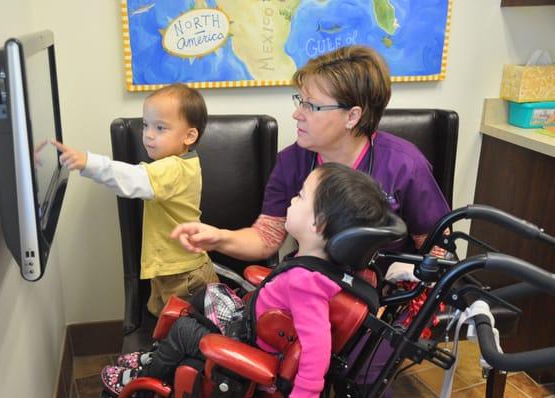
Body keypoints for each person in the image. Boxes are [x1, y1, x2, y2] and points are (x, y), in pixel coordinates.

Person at [101, 163, 391, 397]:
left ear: (319, 224)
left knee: (184, 328)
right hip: (249, 323)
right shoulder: (317, 267)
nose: (292, 199)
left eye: (301, 196)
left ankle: (146, 379)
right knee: (208, 292)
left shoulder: (306, 283)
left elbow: (317, 349)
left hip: (250, 346)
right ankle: (160, 356)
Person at [170, 45, 450, 264]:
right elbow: (268, 236)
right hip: (311, 287)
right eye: (299, 101)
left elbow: (438, 248)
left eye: (311, 106)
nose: (297, 114)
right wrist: (219, 238)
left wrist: (403, 295)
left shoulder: (404, 165)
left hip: (383, 304)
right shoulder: (293, 161)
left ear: (352, 116)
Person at [52, 83, 218, 316]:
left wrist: (88, 162)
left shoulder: (174, 168)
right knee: (167, 325)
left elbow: (131, 180)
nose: (149, 134)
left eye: (160, 128)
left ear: (189, 136)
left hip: (184, 275)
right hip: (172, 268)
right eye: (146, 125)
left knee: (184, 333)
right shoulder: (182, 163)